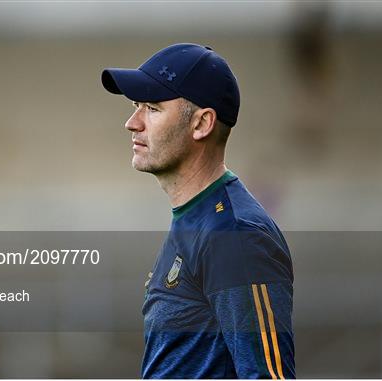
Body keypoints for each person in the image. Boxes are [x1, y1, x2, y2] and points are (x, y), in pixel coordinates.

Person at [101, 43, 295, 379]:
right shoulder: (196, 218)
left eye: (152, 108)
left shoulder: (233, 235)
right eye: (136, 106)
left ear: (202, 124)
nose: (132, 123)